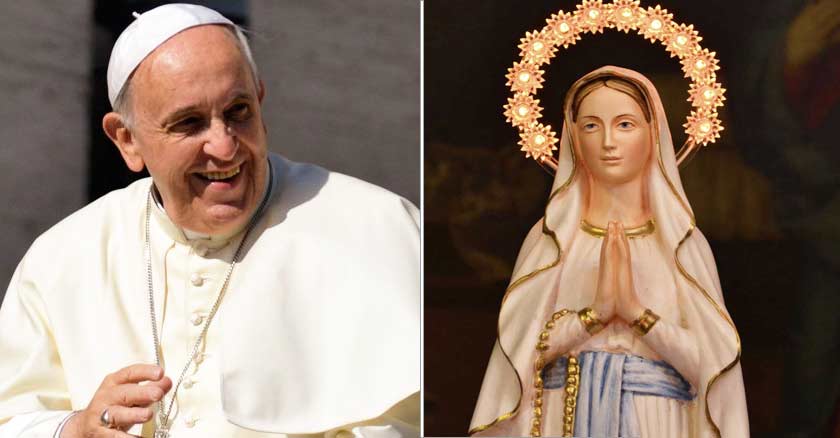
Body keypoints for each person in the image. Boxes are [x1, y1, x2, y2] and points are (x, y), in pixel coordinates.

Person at [0, 4, 419, 438]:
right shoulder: (60, 259)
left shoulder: (380, 229)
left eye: (238, 112)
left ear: (260, 100)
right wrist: (76, 429)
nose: (223, 147)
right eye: (189, 123)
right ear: (127, 140)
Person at [469, 66, 748, 437]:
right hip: (562, 415)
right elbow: (519, 357)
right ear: (572, 137)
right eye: (591, 126)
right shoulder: (551, 238)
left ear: (654, 133)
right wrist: (594, 315)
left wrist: (636, 314)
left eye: (625, 124)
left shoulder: (682, 243)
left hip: (656, 417)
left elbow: (711, 366)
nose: (607, 142)